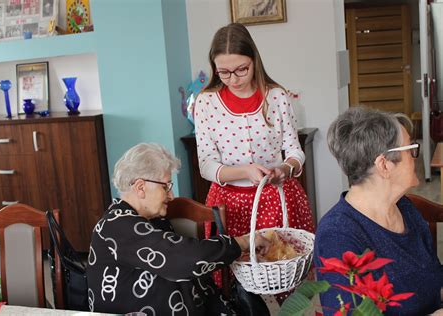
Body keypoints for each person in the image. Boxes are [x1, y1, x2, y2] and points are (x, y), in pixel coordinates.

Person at [194, 22, 314, 293]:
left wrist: (285, 168)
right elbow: (206, 164)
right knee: (238, 281)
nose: (233, 79)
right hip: (229, 205)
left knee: (284, 272)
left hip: (277, 198)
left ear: (254, 61)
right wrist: (244, 172)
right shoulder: (206, 102)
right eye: (223, 72)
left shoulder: (277, 96)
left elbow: (295, 151)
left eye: (241, 69)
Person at [86, 143, 269, 315]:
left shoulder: (149, 219)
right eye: (166, 186)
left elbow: (184, 260)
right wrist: (243, 242)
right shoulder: (118, 226)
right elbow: (187, 259)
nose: (171, 196)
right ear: (140, 187)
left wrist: (234, 252)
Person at [315, 107, 443, 315]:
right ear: (384, 165)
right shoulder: (338, 236)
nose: (415, 157)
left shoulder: (405, 208)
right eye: (411, 149)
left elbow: (434, 279)